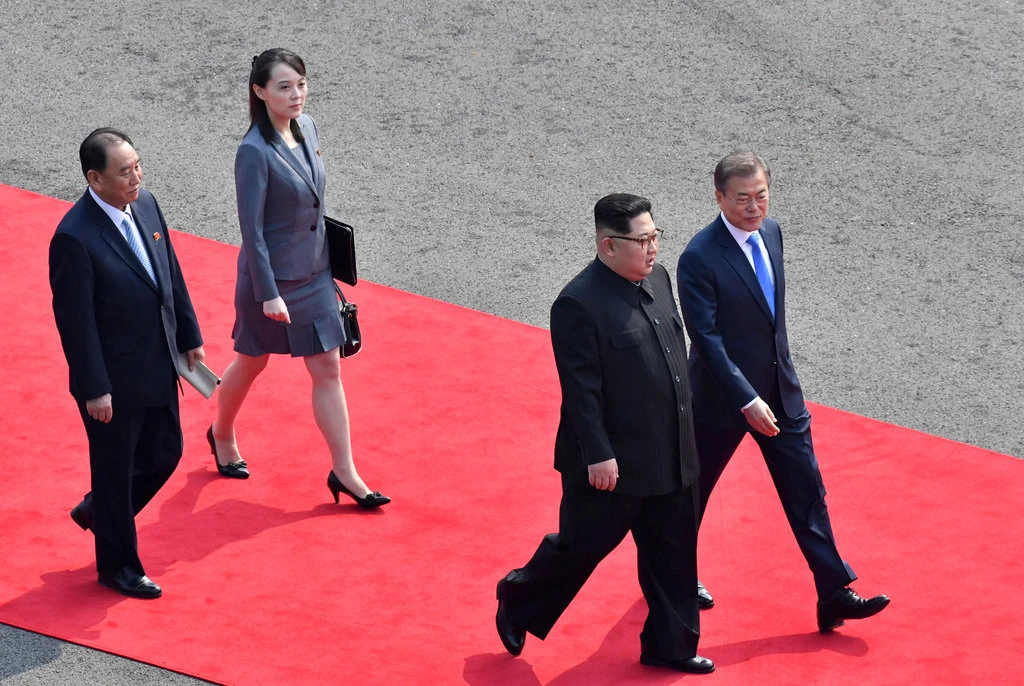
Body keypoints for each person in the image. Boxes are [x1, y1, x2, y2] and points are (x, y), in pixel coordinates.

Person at [495, 194, 714, 674]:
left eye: (655, 236)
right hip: (611, 465)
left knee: (673, 552)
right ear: (608, 245)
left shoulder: (657, 279)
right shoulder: (577, 303)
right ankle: (518, 595)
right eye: (642, 240)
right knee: (581, 548)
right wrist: (598, 454)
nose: (653, 248)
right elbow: (581, 390)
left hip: (672, 451)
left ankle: (670, 646)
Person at [676, 150, 890, 632]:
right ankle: (673, 576)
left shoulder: (771, 234)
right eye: (743, 198)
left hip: (781, 393)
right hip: (720, 401)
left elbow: (772, 321)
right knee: (691, 494)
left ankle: (833, 591)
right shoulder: (698, 256)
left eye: (761, 196)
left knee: (807, 490)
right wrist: (746, 398)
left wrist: (777, 386)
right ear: (719, 197)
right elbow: (705, 339)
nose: (755, 208)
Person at [208, 48, 388, 508]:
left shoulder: (308, 127)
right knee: (253, 360)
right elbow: (251, 231)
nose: (296, 95)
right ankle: (222, 432)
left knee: (327, 367)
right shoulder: (252, 152)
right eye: (284, 87)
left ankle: (344, 471)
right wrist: (268, 293)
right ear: (260, 92)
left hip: (314, 272)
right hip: (271, 281)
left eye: (301, 84)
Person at [49, 128, 205, 599]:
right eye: (124, 171)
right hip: (113, 382)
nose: (136, 177)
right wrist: (94, 388)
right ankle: (117, 565)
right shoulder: (74, 238)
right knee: (115, 471)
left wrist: (189, 335)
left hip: (157, 361)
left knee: (167, 452)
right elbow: (75, 323)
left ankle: (101, 513)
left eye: (138, 165)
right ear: (94, 179)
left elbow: (168, 271)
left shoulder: (147, 204)